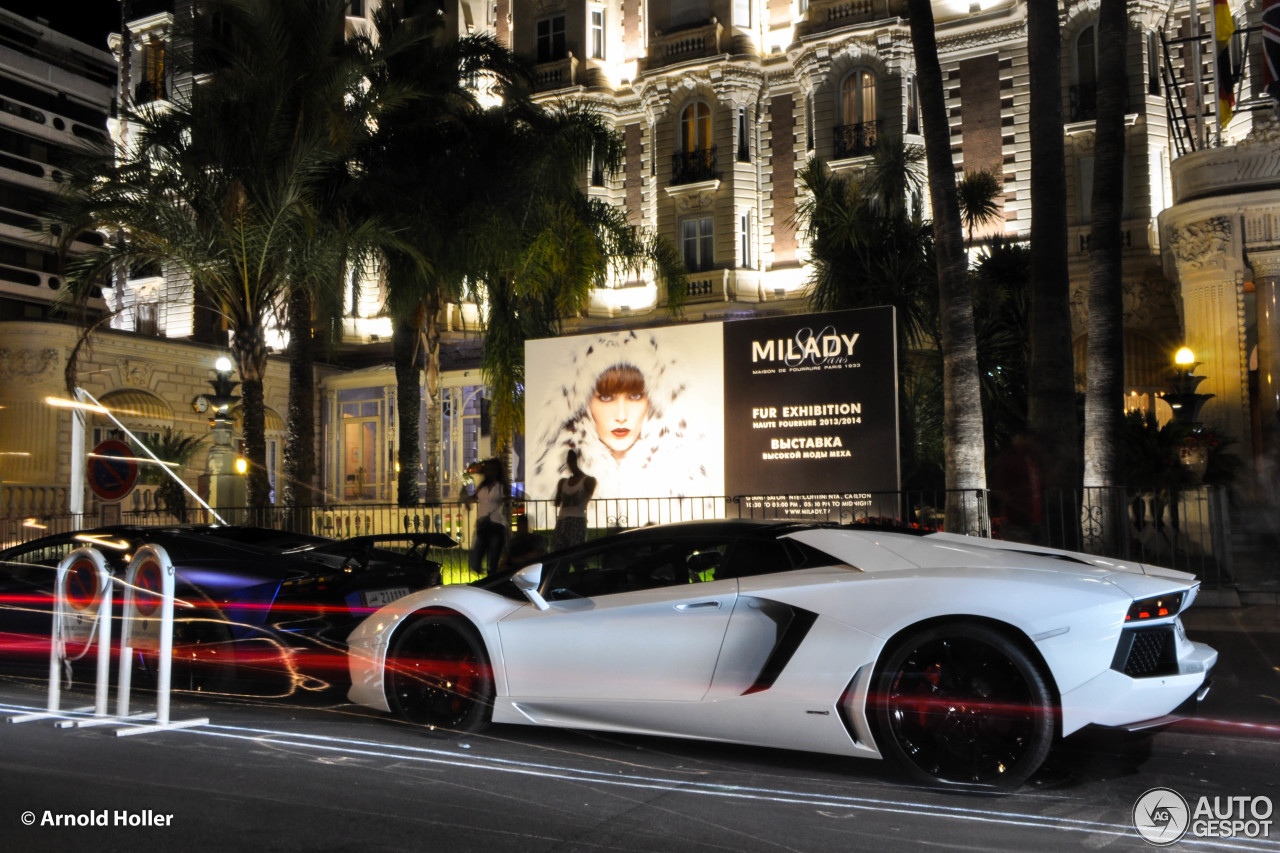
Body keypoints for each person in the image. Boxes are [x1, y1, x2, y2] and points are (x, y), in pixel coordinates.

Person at [532, 330, 708, 500]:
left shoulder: (684, 480)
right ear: (583, 404)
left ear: (654, 402)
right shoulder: (547, 479)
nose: (621, 416)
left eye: (635, 396)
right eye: (606, 397)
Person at [462, 458, 509, 576]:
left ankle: (492, 581)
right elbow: (475, 497)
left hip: (496, 524)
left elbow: (507, 498)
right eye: (487, 469)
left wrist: (504, 500)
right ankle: (486, 576)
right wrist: (468, 500)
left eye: (492, 469)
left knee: (493, 560)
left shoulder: (501, 486)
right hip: (482, 524)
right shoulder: (482, 486)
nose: (489, 472)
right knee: (475, 559)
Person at [552, 449, 596, 550]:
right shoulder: (563, 482)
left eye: (571, 461)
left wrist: (567, 497)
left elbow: (558, 501)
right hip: (567, 519)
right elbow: (558, 501)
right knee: (564, 552)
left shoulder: (588, 481)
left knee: (575, 552)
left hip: (574, 519)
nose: (570, 465)